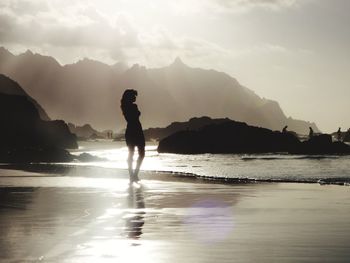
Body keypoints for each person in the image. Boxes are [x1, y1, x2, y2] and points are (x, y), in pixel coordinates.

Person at [121, 89, 145, 183]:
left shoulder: (124, 107)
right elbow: (135, 117)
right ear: (130, 97)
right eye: (134, 96)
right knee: (141, 154)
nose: (135, 98)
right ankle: (134, 174)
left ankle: (133, 175)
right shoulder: (132, 107)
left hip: (131, 131)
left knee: (131, 154)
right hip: (136, 131)